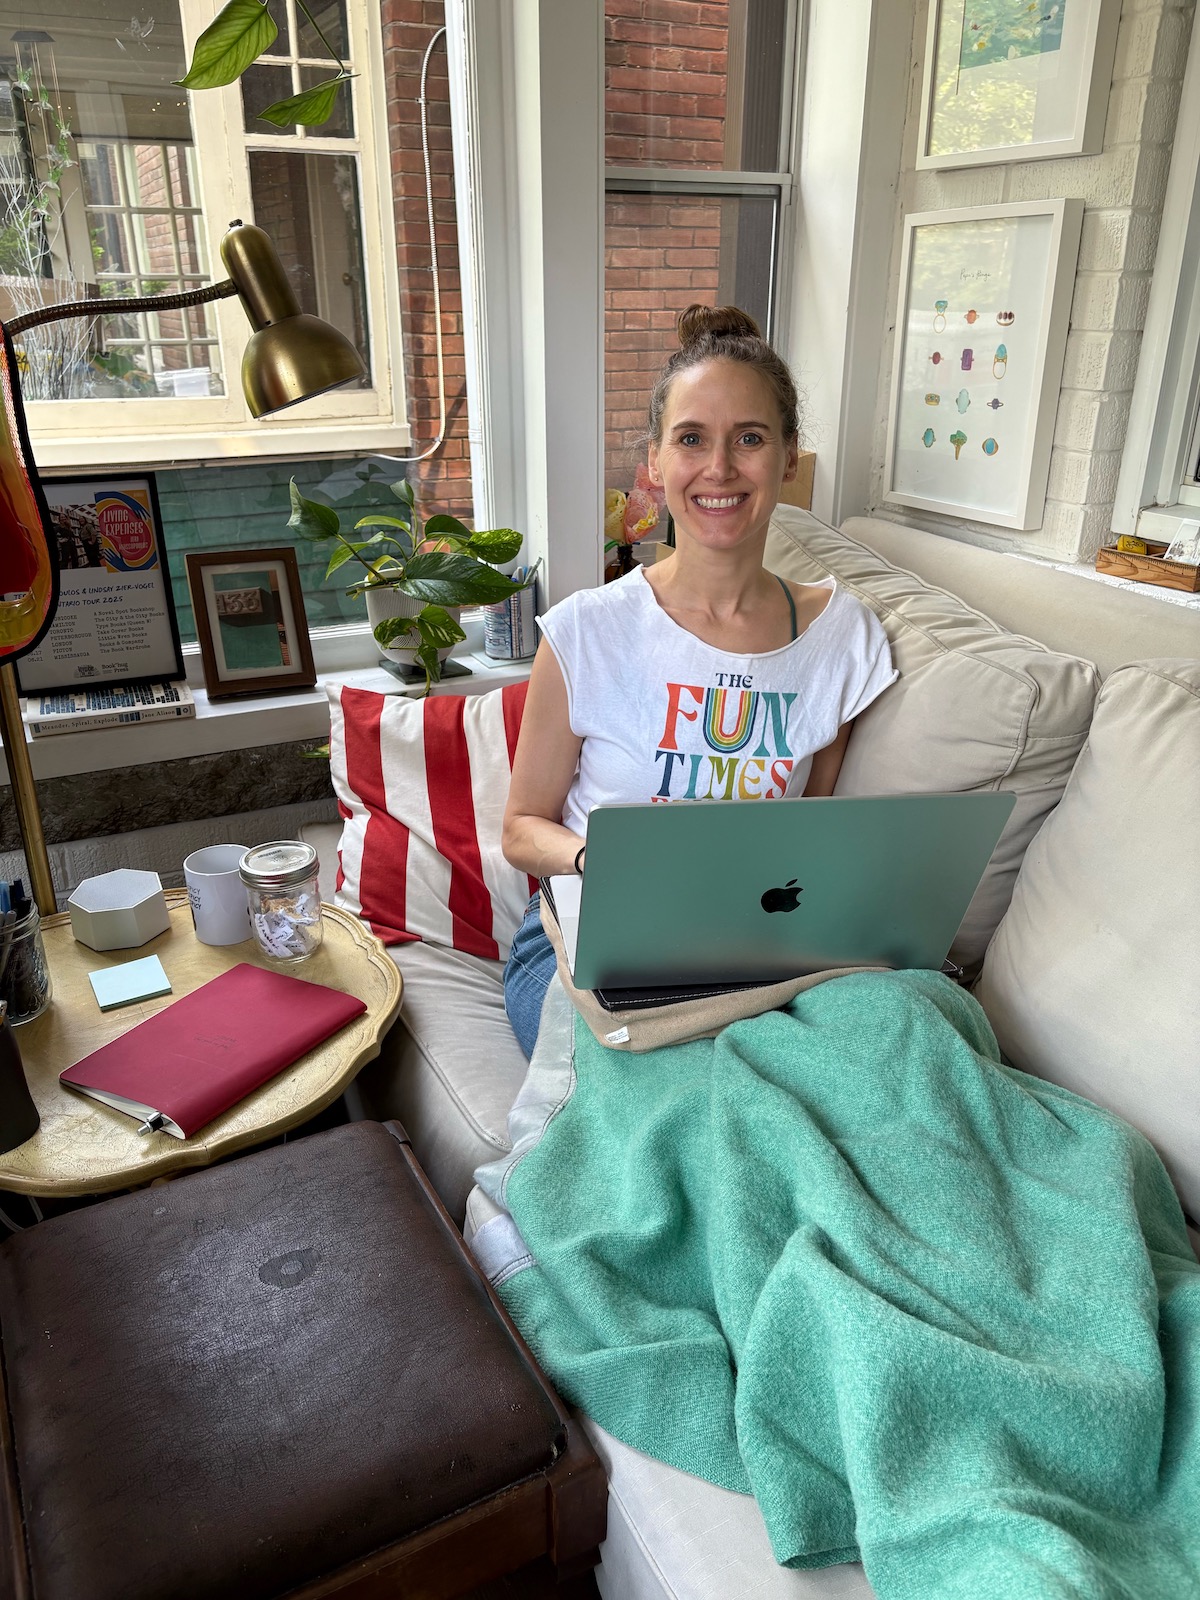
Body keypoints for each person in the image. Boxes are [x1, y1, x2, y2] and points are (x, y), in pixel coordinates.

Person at [501, 304, 897, 1057]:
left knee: (905, 1035)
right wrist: (601, 859)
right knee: (691, 1103)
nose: (719, 469)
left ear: (787, 460)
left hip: (755, 941)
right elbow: (521, 829)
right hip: (597, 937)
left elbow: (811, 831)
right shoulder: (588, 629)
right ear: (654, 461)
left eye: (749, 438)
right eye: (691, 439)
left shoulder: (842, 639)